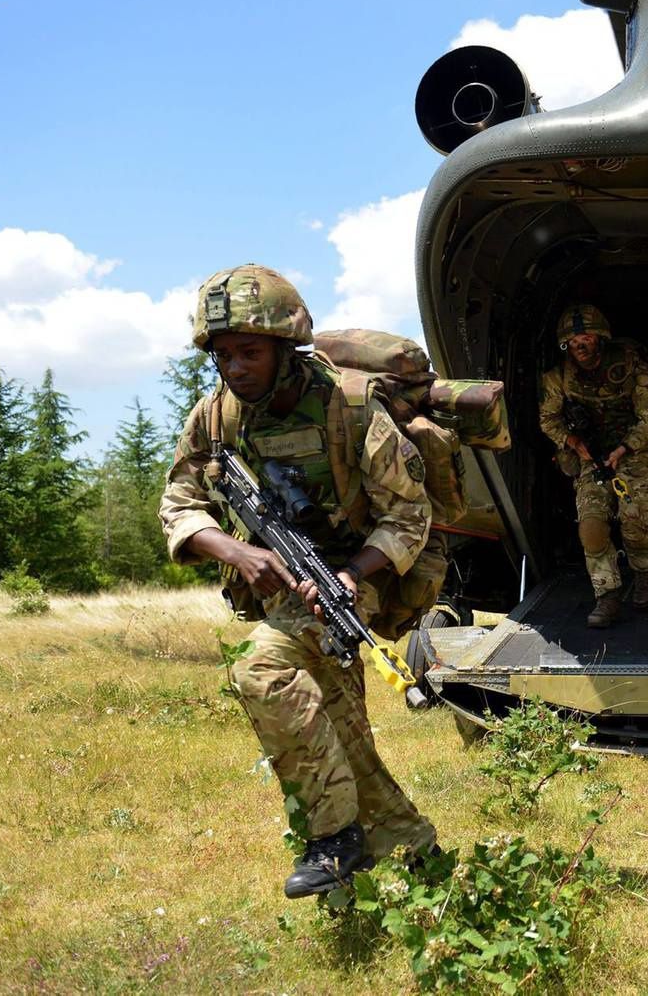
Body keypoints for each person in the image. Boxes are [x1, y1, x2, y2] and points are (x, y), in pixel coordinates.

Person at [160, 264, 439, 899]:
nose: (236, 369)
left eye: (250, 352)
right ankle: (411, 850)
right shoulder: (215, 419)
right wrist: (237, 551)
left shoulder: (350, 405)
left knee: (261, 669)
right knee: (342, 731)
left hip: (352, 579)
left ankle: (334, 840)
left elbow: (408, 514)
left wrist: (349, 575)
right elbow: (179, 505)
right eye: (224, 355)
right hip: (279, 586)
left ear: (287, 348)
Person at [538, 303, 648, 628]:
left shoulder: (633, 366)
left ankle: (645, 574)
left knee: (638, 522)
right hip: (590, 458)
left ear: (601, 338)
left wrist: (624, 448)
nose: (580, 344)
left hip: (631, 453)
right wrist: (574, 443)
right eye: (573, 340)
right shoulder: (558, 378)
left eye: (587, 337)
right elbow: (548, 420)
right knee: (591, 529)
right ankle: (607, 595)